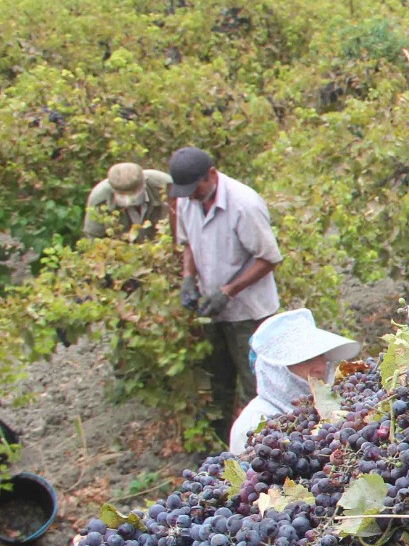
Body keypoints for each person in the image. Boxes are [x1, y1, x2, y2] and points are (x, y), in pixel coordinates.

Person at [170, 146, 284, 443]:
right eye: (187, 192)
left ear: (211, 175)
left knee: (254, 386)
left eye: (196, 188)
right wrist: (187, 279)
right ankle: (217, 448)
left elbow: (269, 258)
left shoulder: (244, 204)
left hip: (250, 313)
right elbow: (188, 245)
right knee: (217, 383)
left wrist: (229, 291)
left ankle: (256, 448)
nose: (192, 196)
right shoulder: (187, 201)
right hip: (213, 310)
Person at [230, 309, 359, 455]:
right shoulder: (254, 424)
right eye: (306, 359)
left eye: (322, 355)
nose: (321, 367)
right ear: (277, 370)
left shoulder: (333, 411)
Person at [82, 162, 173, 242]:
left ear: (144, 182)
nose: (128, 200)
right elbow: (94, 237)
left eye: (133, 193)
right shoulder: (99, 198)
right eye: (122, 195)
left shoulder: (164, 186)